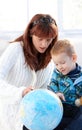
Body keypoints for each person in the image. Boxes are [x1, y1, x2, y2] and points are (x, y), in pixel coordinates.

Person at [0, 14, 58, 130]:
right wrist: (21, 92)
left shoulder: (50, 58)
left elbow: (43, 88)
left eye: (48, 40)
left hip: (34, 117)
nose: (44, 44)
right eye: (40, 39)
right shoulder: (15, 49)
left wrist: (54, 96)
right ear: (31, 34)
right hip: (11, 115)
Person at [48, 39, 82, 130]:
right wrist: (56, 94)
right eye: (56, 64)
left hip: (76, 109)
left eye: (62, 63)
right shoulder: (56, 74)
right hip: (61, 107)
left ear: (73, 58)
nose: (59, 67)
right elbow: (51, 86)